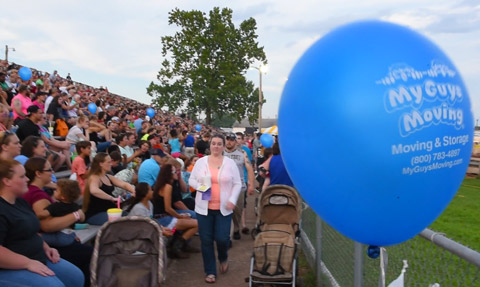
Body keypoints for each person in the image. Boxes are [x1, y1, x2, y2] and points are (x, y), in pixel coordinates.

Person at [0, 158, 85, 287]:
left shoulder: (20, 202)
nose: (28, 179)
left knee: (76, 277)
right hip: (12, 267)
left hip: (38, 256)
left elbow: (32, 232)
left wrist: (46, 247)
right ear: (6, 181)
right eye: (22, 176)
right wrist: (27, 263)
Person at [23, 157, 93, 286]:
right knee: (91, 254)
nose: (52, 172)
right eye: (49, 169)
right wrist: (77, 214)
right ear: (38, 173)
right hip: (48, 244)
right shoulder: (38, 195)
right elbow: (47, 226)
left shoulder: (35, 191)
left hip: (47, 241)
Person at [189, 134, 242, 283]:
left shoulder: (230, 164)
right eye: (214, 144)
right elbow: (191, 179)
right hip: (204, 207)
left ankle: (223, 257)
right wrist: (201, 187)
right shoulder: (201, 162)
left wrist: (232, 200)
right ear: (210, 145)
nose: (216, 146)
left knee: (222, 239)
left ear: (224, 146)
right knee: (206, 240)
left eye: (219, 144)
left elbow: (237, 183)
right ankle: (210, 271)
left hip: (224, 208)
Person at [152, 164, 198, 259]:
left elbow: (184, 190)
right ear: (168, 174)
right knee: (198, 223)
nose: (177, 173)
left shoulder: (162, 185)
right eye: (174, 171)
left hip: (160, 217)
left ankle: (180, 245)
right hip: (163, 219)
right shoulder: (168, 186)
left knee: (191, 218)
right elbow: (168, 208)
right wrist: (180, 216)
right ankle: (176, 247)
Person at [82, 152, 135, 225]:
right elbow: (94, 190)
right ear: (101, 164)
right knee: (122, 222)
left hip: (109, 211)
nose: (111, 164)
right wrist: (111, 198)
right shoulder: (94, 177)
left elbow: (124, 184)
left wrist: (134, 191)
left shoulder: (108, 177)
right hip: (96, 213)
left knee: (131, 217)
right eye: (109, 162)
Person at [224, 133, 254, 240]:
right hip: (224, 187)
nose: (229, 142)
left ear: (236, 142)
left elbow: (249, 168)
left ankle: (236, 228)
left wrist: (251, 184)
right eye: (228, 139)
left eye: (232, 140)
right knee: (225, 211)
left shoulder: (242, 153)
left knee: (238, 210)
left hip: (239, 187)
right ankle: (227, 236)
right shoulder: (221, 152)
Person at [36, 178, 82, 247]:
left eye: (56, 190)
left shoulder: (56, 206)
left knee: (38, 236)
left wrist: (32, 215)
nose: (54, 191)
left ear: (63, 197)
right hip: (71, 235)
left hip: (60, 238)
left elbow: (44, 214)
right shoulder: (75, 206)